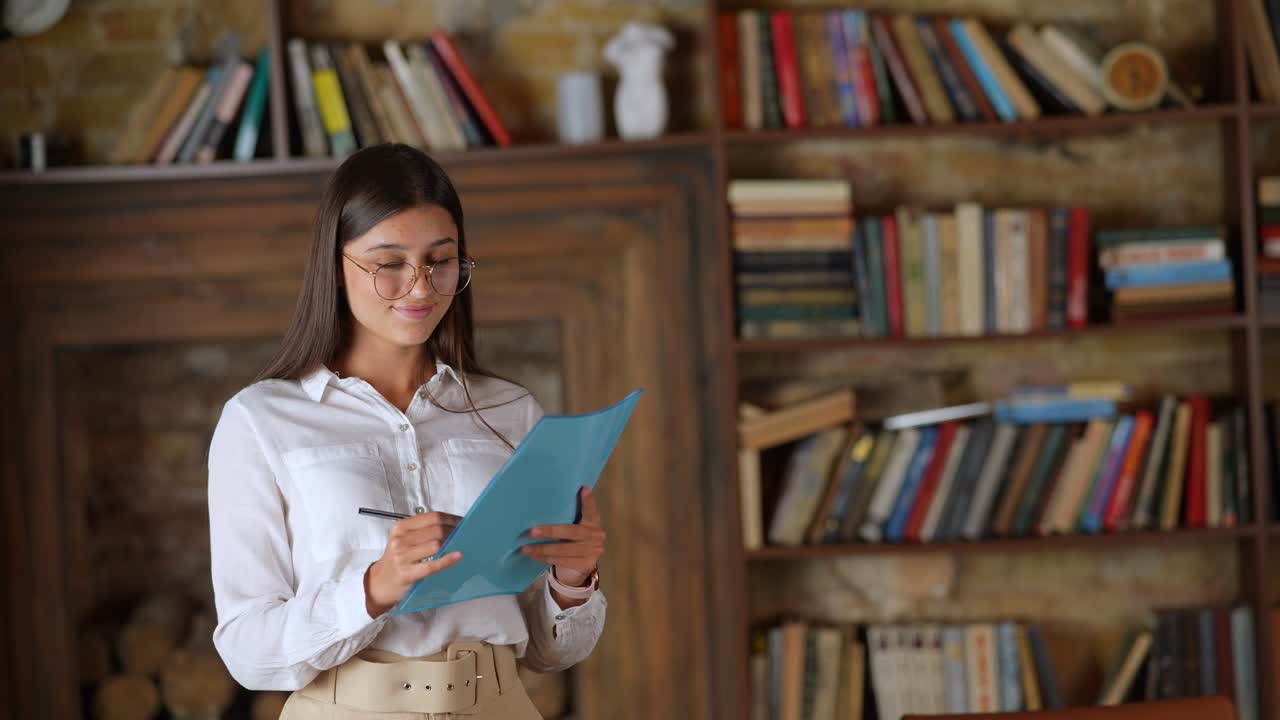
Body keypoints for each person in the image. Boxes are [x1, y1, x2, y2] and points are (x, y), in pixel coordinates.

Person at [207, 144, 607, 719]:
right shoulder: (260, 421)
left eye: (440, 261)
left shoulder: (513, 412)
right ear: (334, 265)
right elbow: (248, 653)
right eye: (388, 263)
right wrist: (373, 589)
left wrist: (573, 579)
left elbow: (551, 651)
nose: (420, 288)